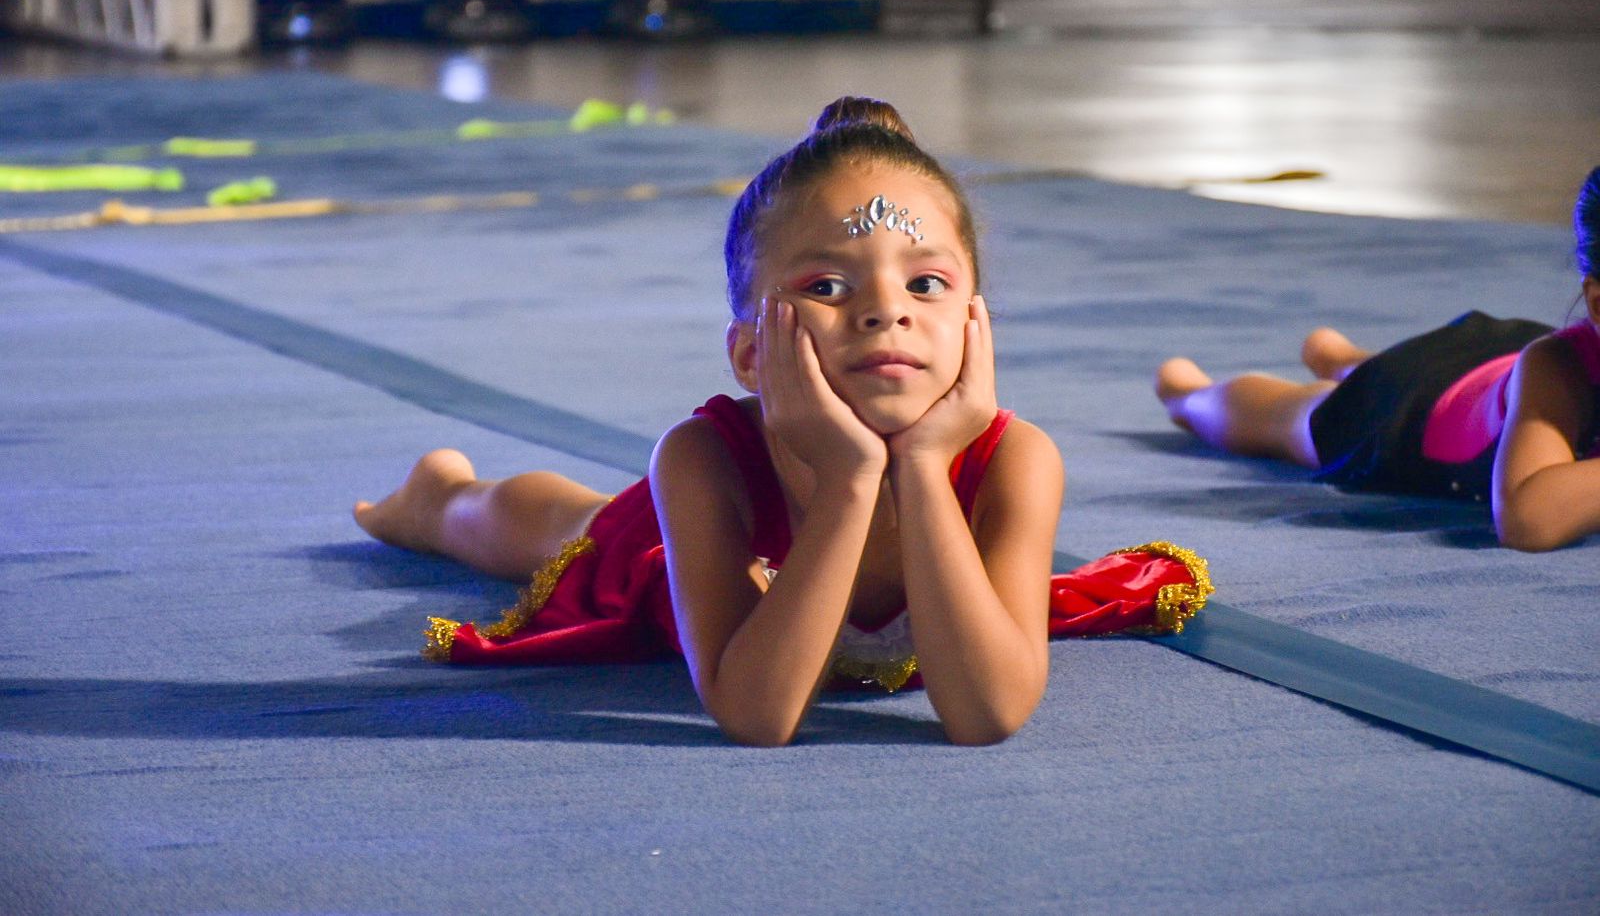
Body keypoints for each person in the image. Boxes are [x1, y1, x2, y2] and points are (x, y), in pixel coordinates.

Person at [356, 97, 1210, 747]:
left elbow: (987, 712)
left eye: (925, 285)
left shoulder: (1016, 460)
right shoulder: (704, 460)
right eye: (828, 288)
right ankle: (442, 496)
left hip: (909, 510)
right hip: (687, 565)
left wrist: (918, 466)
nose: (887, 315)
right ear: (748, 352)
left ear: (977, 324)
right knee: (566, 531)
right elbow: (756, 716)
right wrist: (846, 486)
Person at [1155, 166, 1600, 553]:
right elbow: (1530, 522)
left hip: (1488, 371)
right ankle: (1186, 394)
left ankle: (1337, 354)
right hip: (1405, 414)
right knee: (1294, 417)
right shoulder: (1559, 373)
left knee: (1378, 368)